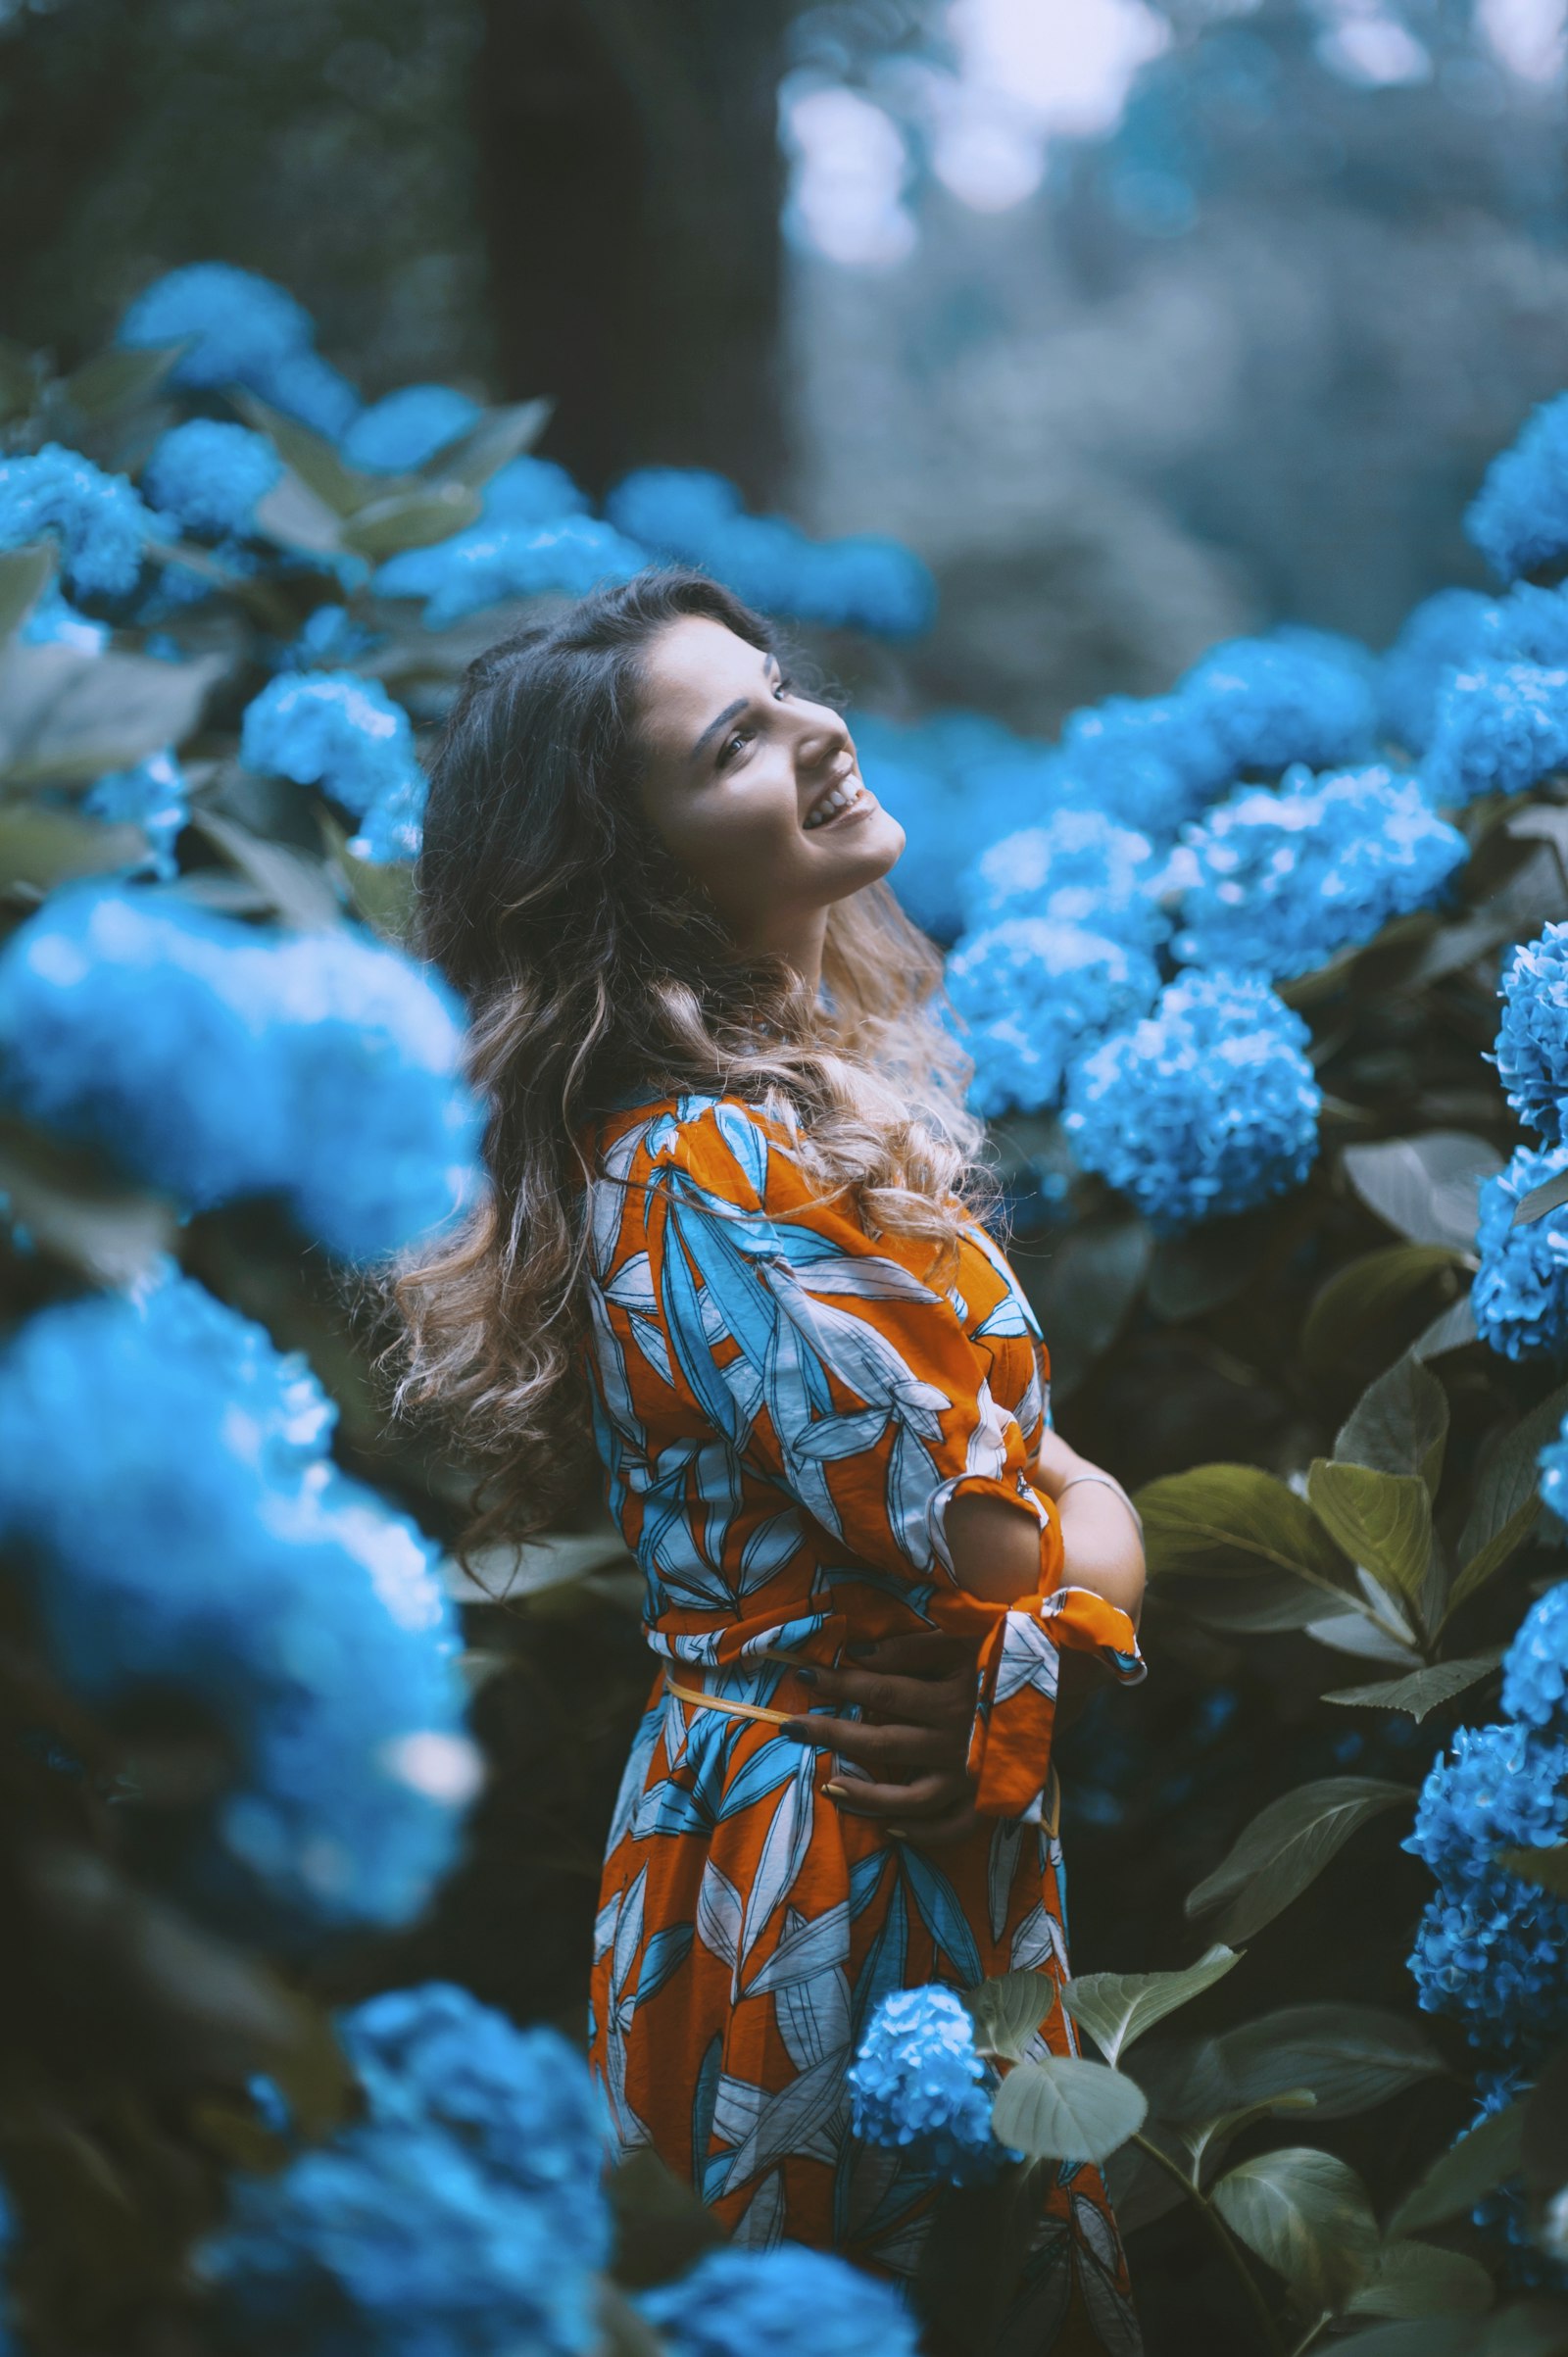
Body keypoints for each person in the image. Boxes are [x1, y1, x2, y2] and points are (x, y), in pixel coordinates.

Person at [397, 568, 1148, 2353]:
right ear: (631, 872)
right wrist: (1068, 1551)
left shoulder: (789, 1118)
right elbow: (1008, 1537)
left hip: (839, 1795)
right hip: (824, 1861)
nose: (815, 726)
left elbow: (1056, 1507)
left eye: (782, 687)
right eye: (733, 739)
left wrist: (1068, 1540)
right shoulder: (717, 1167)